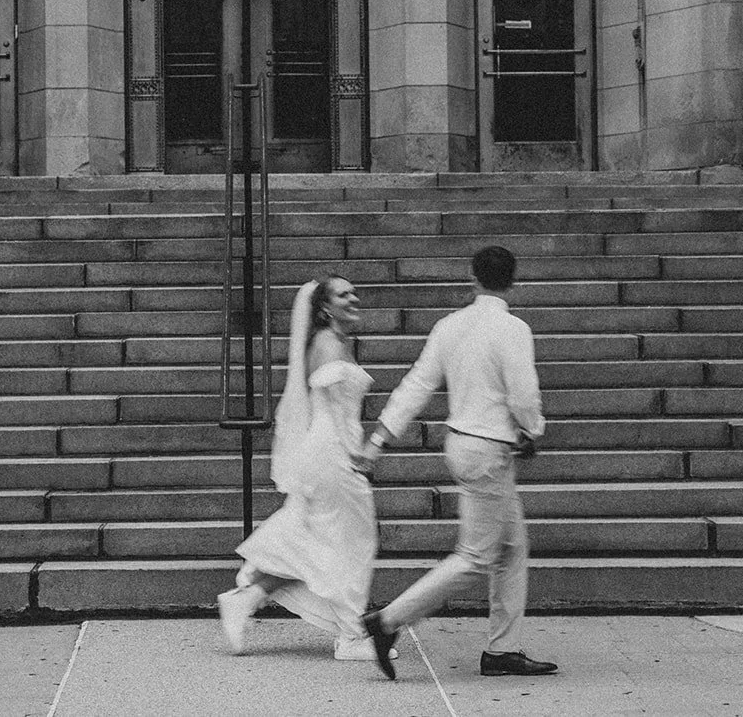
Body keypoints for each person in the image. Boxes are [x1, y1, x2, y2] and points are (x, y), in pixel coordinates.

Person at [350, 245, 557, 680]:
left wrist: (379, 440)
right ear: (513, 281)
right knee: (477, 556)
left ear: (474, 278)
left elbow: (416, 386)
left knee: (512, 549)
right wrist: (533, 430)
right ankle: (387, 622)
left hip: (461, 443)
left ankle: (503, 650)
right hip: (489, 449)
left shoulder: (451, 326)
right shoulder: (513, 328)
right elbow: (523, 396)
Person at [216, 274, 392, 662]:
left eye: (354, 291)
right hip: (333, 453)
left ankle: (246, 599)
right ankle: (350, 637)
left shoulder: (338, 343)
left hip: (329, 451)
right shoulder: (329, 345)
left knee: (320, 541)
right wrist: (356, 455)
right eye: (344, 294)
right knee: (352, 542)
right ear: (326, 308)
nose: (354, 298)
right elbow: (329, 405)